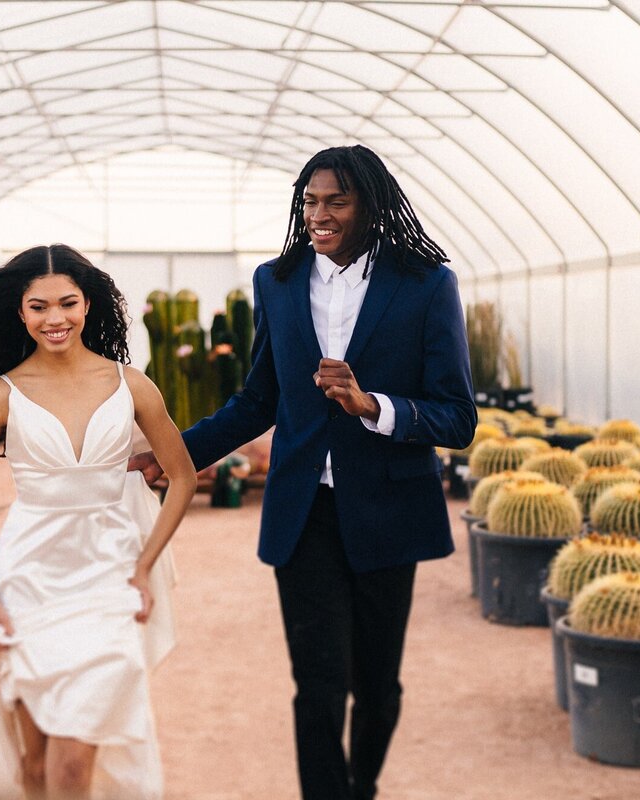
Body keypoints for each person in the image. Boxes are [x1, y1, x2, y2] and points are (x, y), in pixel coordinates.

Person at [131, 145, 477, 800]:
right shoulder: (278, 281)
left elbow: (457, 419)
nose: (317, 214)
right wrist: (175, 455)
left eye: (335, 201)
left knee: (377, 686)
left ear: (371, 206)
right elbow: (258, 400)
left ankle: (362, 786)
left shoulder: (427, 284)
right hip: (304, 512)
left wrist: (370, 404)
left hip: (387, 512)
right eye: (309, 201)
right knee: (318, 686)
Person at [0, 244, 196, 800]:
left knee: (73, 763)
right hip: (29, 582)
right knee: (37, 763)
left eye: (67, 303)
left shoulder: (132, 385)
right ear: (20, 314)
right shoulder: (1, 396)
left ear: (88, 305)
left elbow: (182, 477)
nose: (55, 319)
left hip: (108, 580)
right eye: (39, 307)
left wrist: (144, 568)